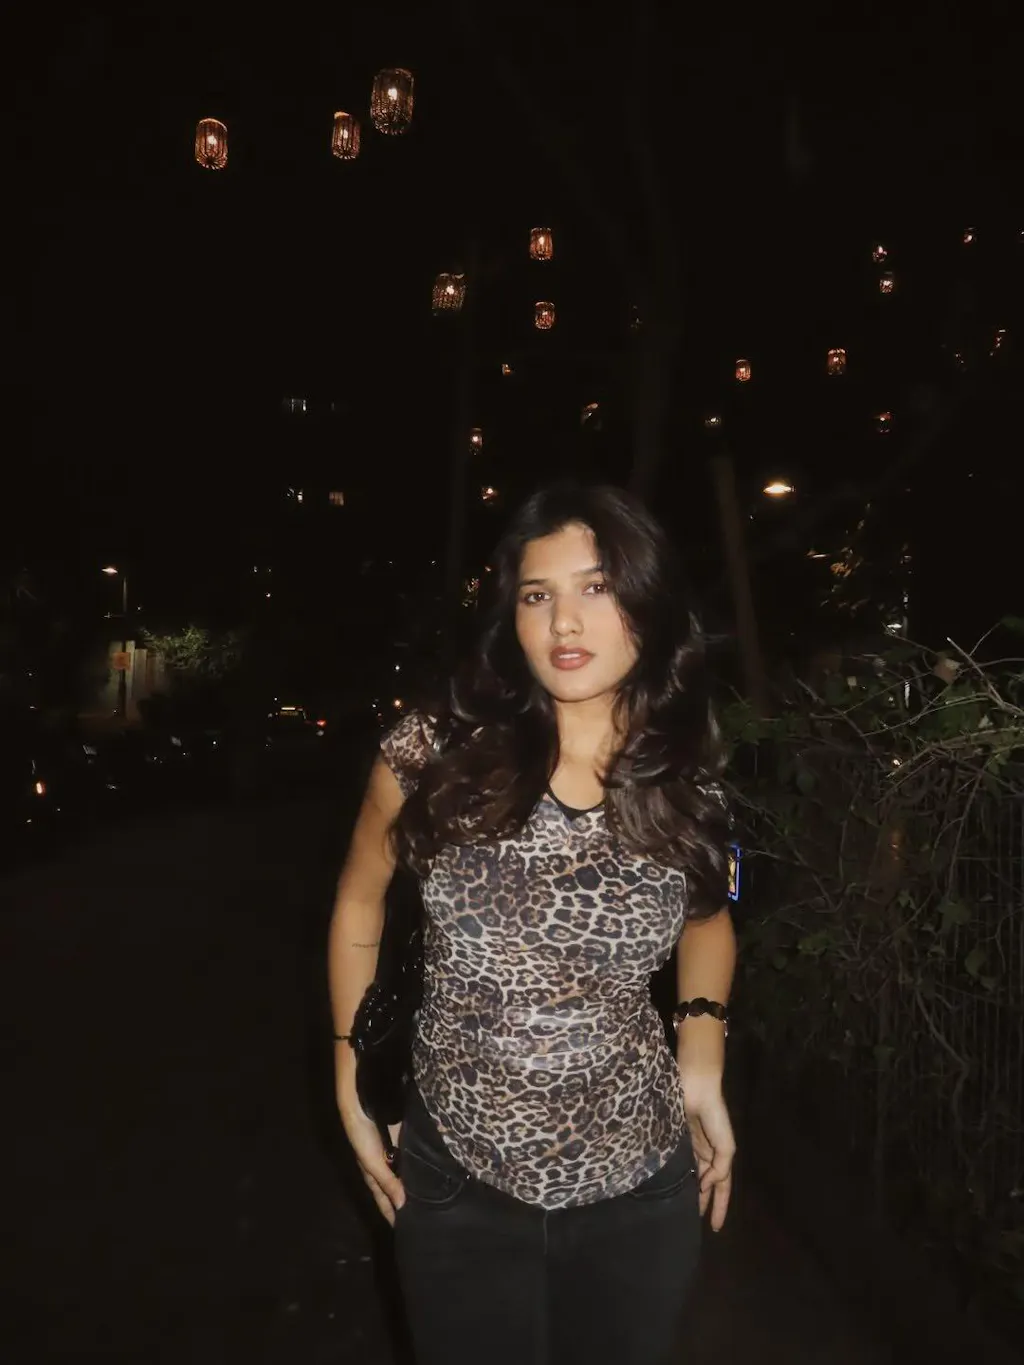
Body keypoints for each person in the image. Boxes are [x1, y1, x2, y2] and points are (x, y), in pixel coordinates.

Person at [329, 482, 737, 1365]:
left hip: (639, 1187)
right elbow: (361, 897)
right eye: (537, 594)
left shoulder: (679, 769)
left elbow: (706, 916)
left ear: (649, 603)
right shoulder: (434, 752)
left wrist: (702, 1050)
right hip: (456, 1182)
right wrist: (350, 1074)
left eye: (597, 587)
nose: (565, 622)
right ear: (508, 616)